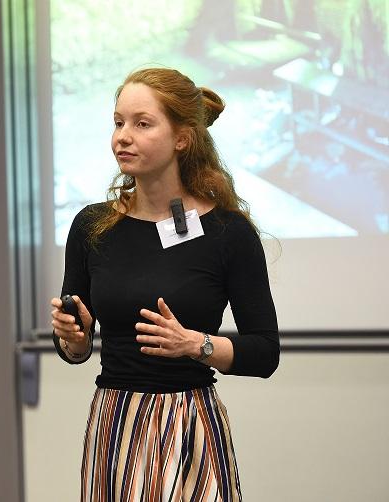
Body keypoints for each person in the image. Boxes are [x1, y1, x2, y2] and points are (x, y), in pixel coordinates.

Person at [50, 67, 279, 502]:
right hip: (115, 424)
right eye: (118, 122)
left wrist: (196, 344)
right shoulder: (91, 226)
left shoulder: (228, 232)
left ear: (182, 139)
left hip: (190, 424)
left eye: (142, 124)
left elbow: (265, 353)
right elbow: (74, 350)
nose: (123, 137)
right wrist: (74, 340)